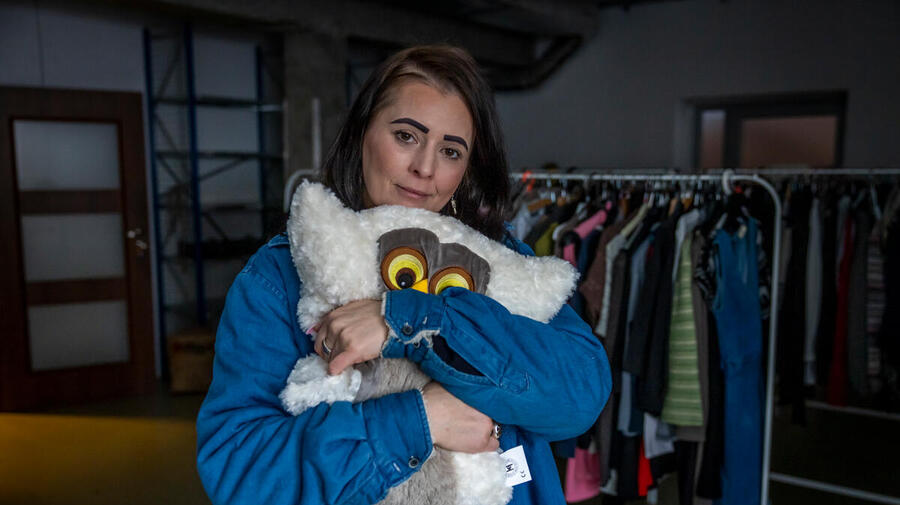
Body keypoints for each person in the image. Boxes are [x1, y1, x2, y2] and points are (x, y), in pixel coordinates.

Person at [196, 45, 612, 505]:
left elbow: (581, 396)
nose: (425, 169)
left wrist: (413, 324)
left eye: (450, 151)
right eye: (406, 136)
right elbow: (241, 471)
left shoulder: (499, 260)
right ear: (362, 133)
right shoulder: (281, 275)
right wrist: (422, 419)